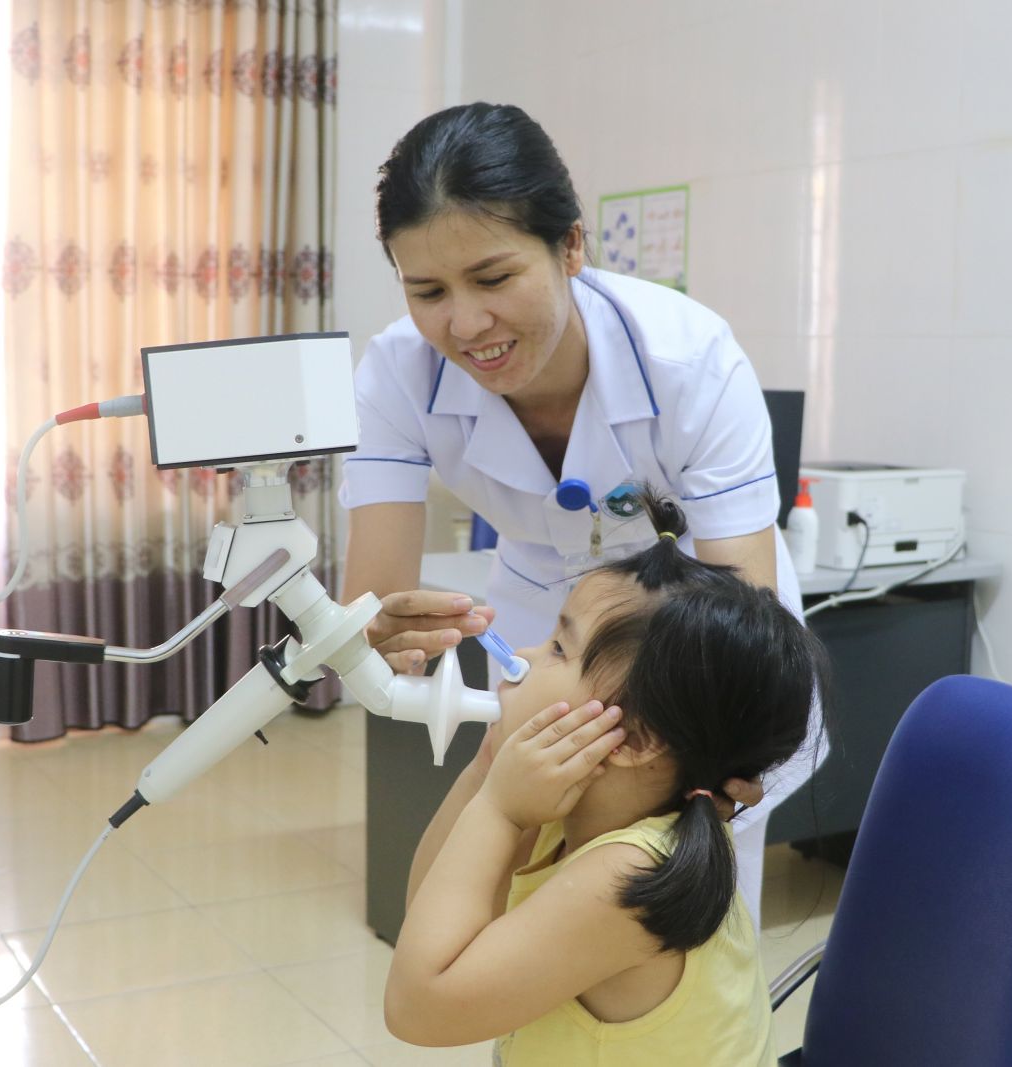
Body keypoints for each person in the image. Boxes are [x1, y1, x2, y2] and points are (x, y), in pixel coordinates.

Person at [339, 101, 820, 917]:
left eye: (494, 278)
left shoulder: (690, 361)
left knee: (677, 901)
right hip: (547, 629)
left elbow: (740, 609)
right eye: (427, 290)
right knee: (524, 884)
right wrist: (384, 633)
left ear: (570, 246)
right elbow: (374, 612)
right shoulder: (396, 374)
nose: (466, 323)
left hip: (702, 637)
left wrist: (703, 747)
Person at [383, 490, 828, 1064]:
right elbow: (427, 918)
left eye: (558, 648)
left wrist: (498, 810)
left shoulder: (630, 874)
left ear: (636, 740)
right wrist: (488, 770)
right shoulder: (574, 806)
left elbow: (418, 1008)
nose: (524, 654)